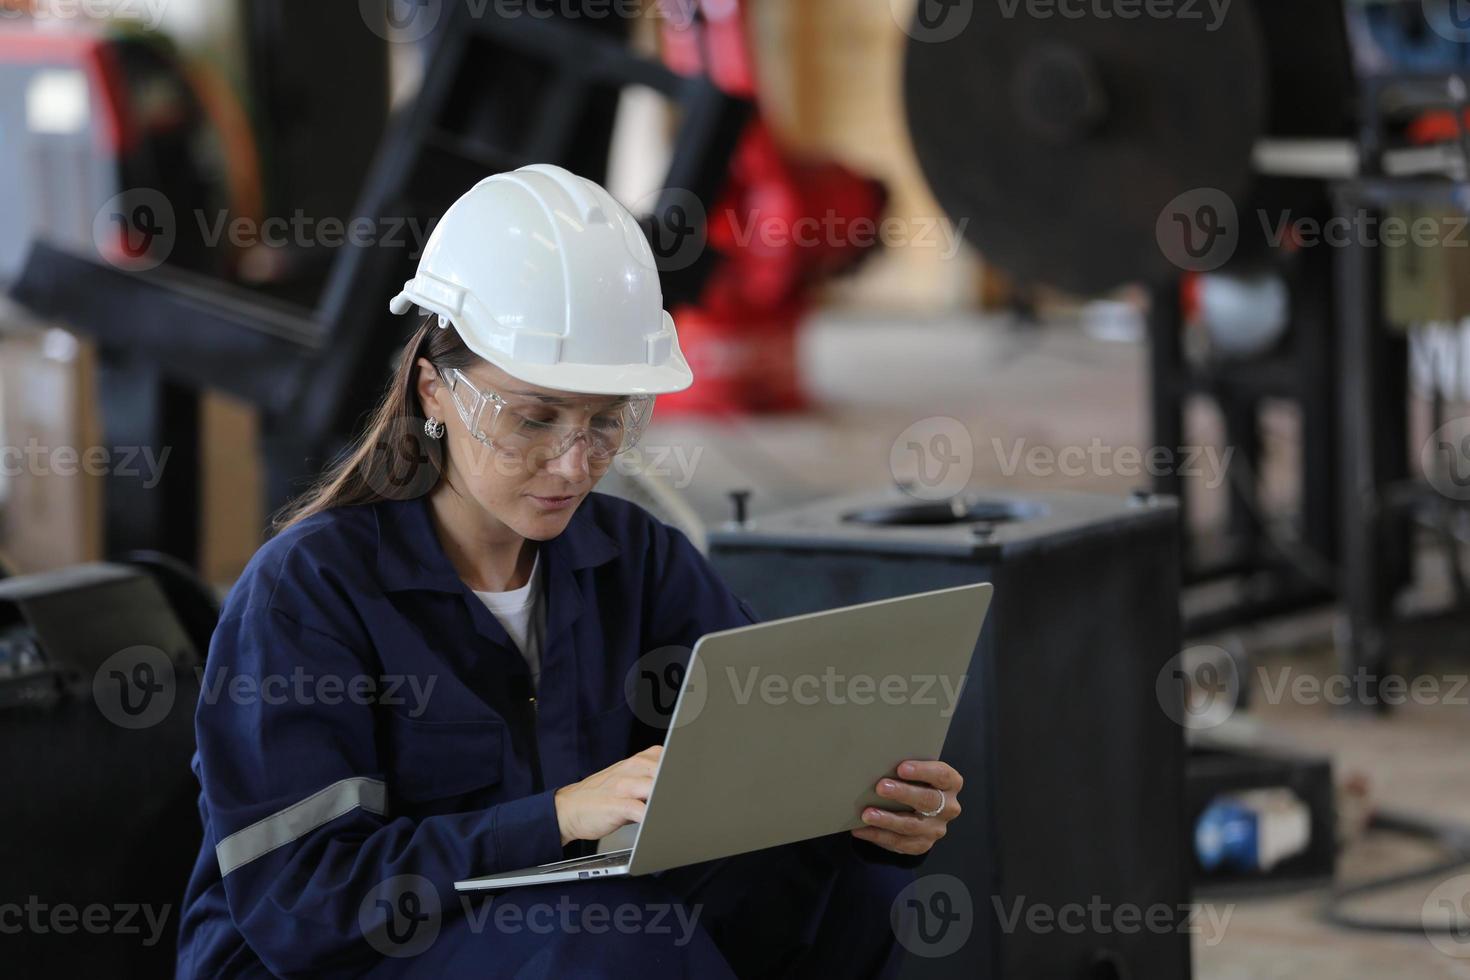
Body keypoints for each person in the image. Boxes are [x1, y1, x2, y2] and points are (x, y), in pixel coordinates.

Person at [174, 164, 965, 978]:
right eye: (534, 417)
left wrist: (864, 812)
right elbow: (300, 901)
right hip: (331, 958)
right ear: (432, 393)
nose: (571, 463)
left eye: (603, 422)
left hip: (558, 930)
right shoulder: (306, 594)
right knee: (612, 939)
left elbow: (760, 762)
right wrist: (554, 819)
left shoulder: (636, 560)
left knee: (846, 891)